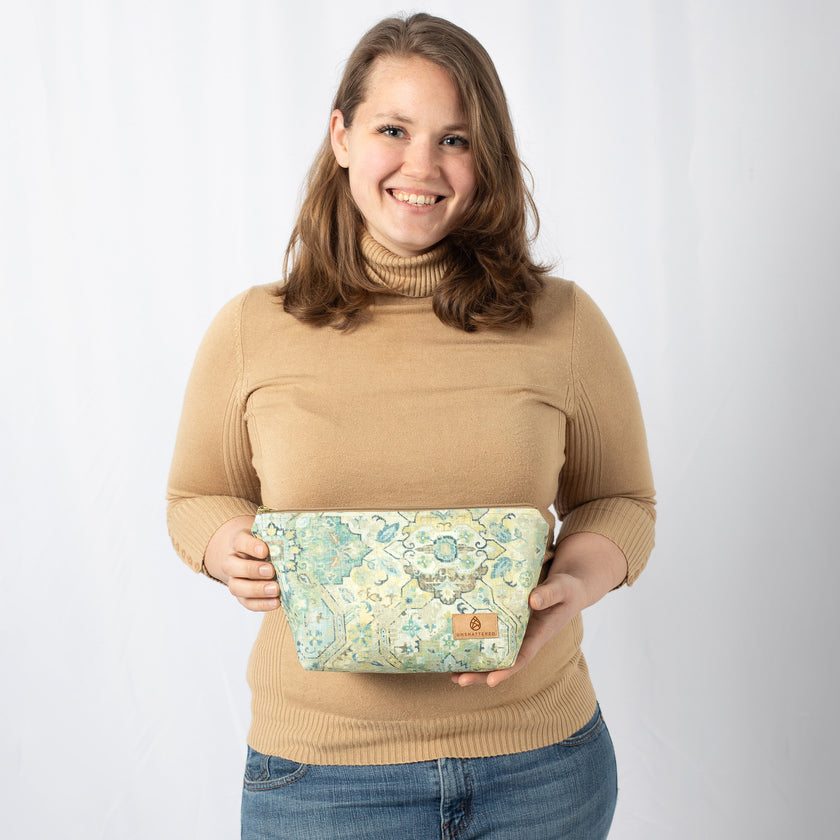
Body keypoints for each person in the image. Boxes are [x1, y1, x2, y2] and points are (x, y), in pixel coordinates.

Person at [167, 12, 655, 840]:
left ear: (485, 158)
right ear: (342, 136)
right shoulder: (254, 327)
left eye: (456, 139)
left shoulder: (563, 323)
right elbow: (197, 493)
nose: (421, 166)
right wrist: (226, 549)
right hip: (323, 777)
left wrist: (573, 584)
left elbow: (622, 502)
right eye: (394, 129)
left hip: (540, 769)